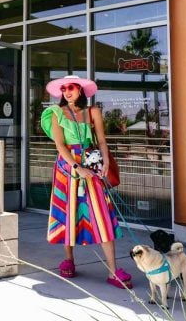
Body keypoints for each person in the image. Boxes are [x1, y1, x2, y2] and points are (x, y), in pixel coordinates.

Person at [40, 75, 133, 289]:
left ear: (80, 89)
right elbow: (60, 146)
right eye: (63, 88)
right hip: (68, 167)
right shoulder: (55, 113)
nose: (67, 91)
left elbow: (101, 140)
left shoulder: (93, 111)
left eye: (71, 87)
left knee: (101, 213)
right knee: (67, 211)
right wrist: (76, 167)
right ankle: (69, 260)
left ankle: (112, 270)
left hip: (92, 164)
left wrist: (106, 161)